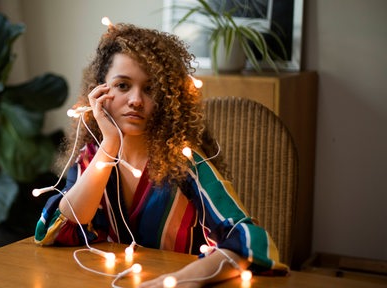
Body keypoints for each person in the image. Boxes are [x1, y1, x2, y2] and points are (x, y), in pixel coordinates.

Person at [34, 23, 288, 287]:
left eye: (150, 89)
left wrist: (178, 280)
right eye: (122, 85)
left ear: (168, 98)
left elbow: (249, 240)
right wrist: (109, 145)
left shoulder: (186, 163)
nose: (136, 100)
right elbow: (54, 230)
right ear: (99, 92)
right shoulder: (91, 159)